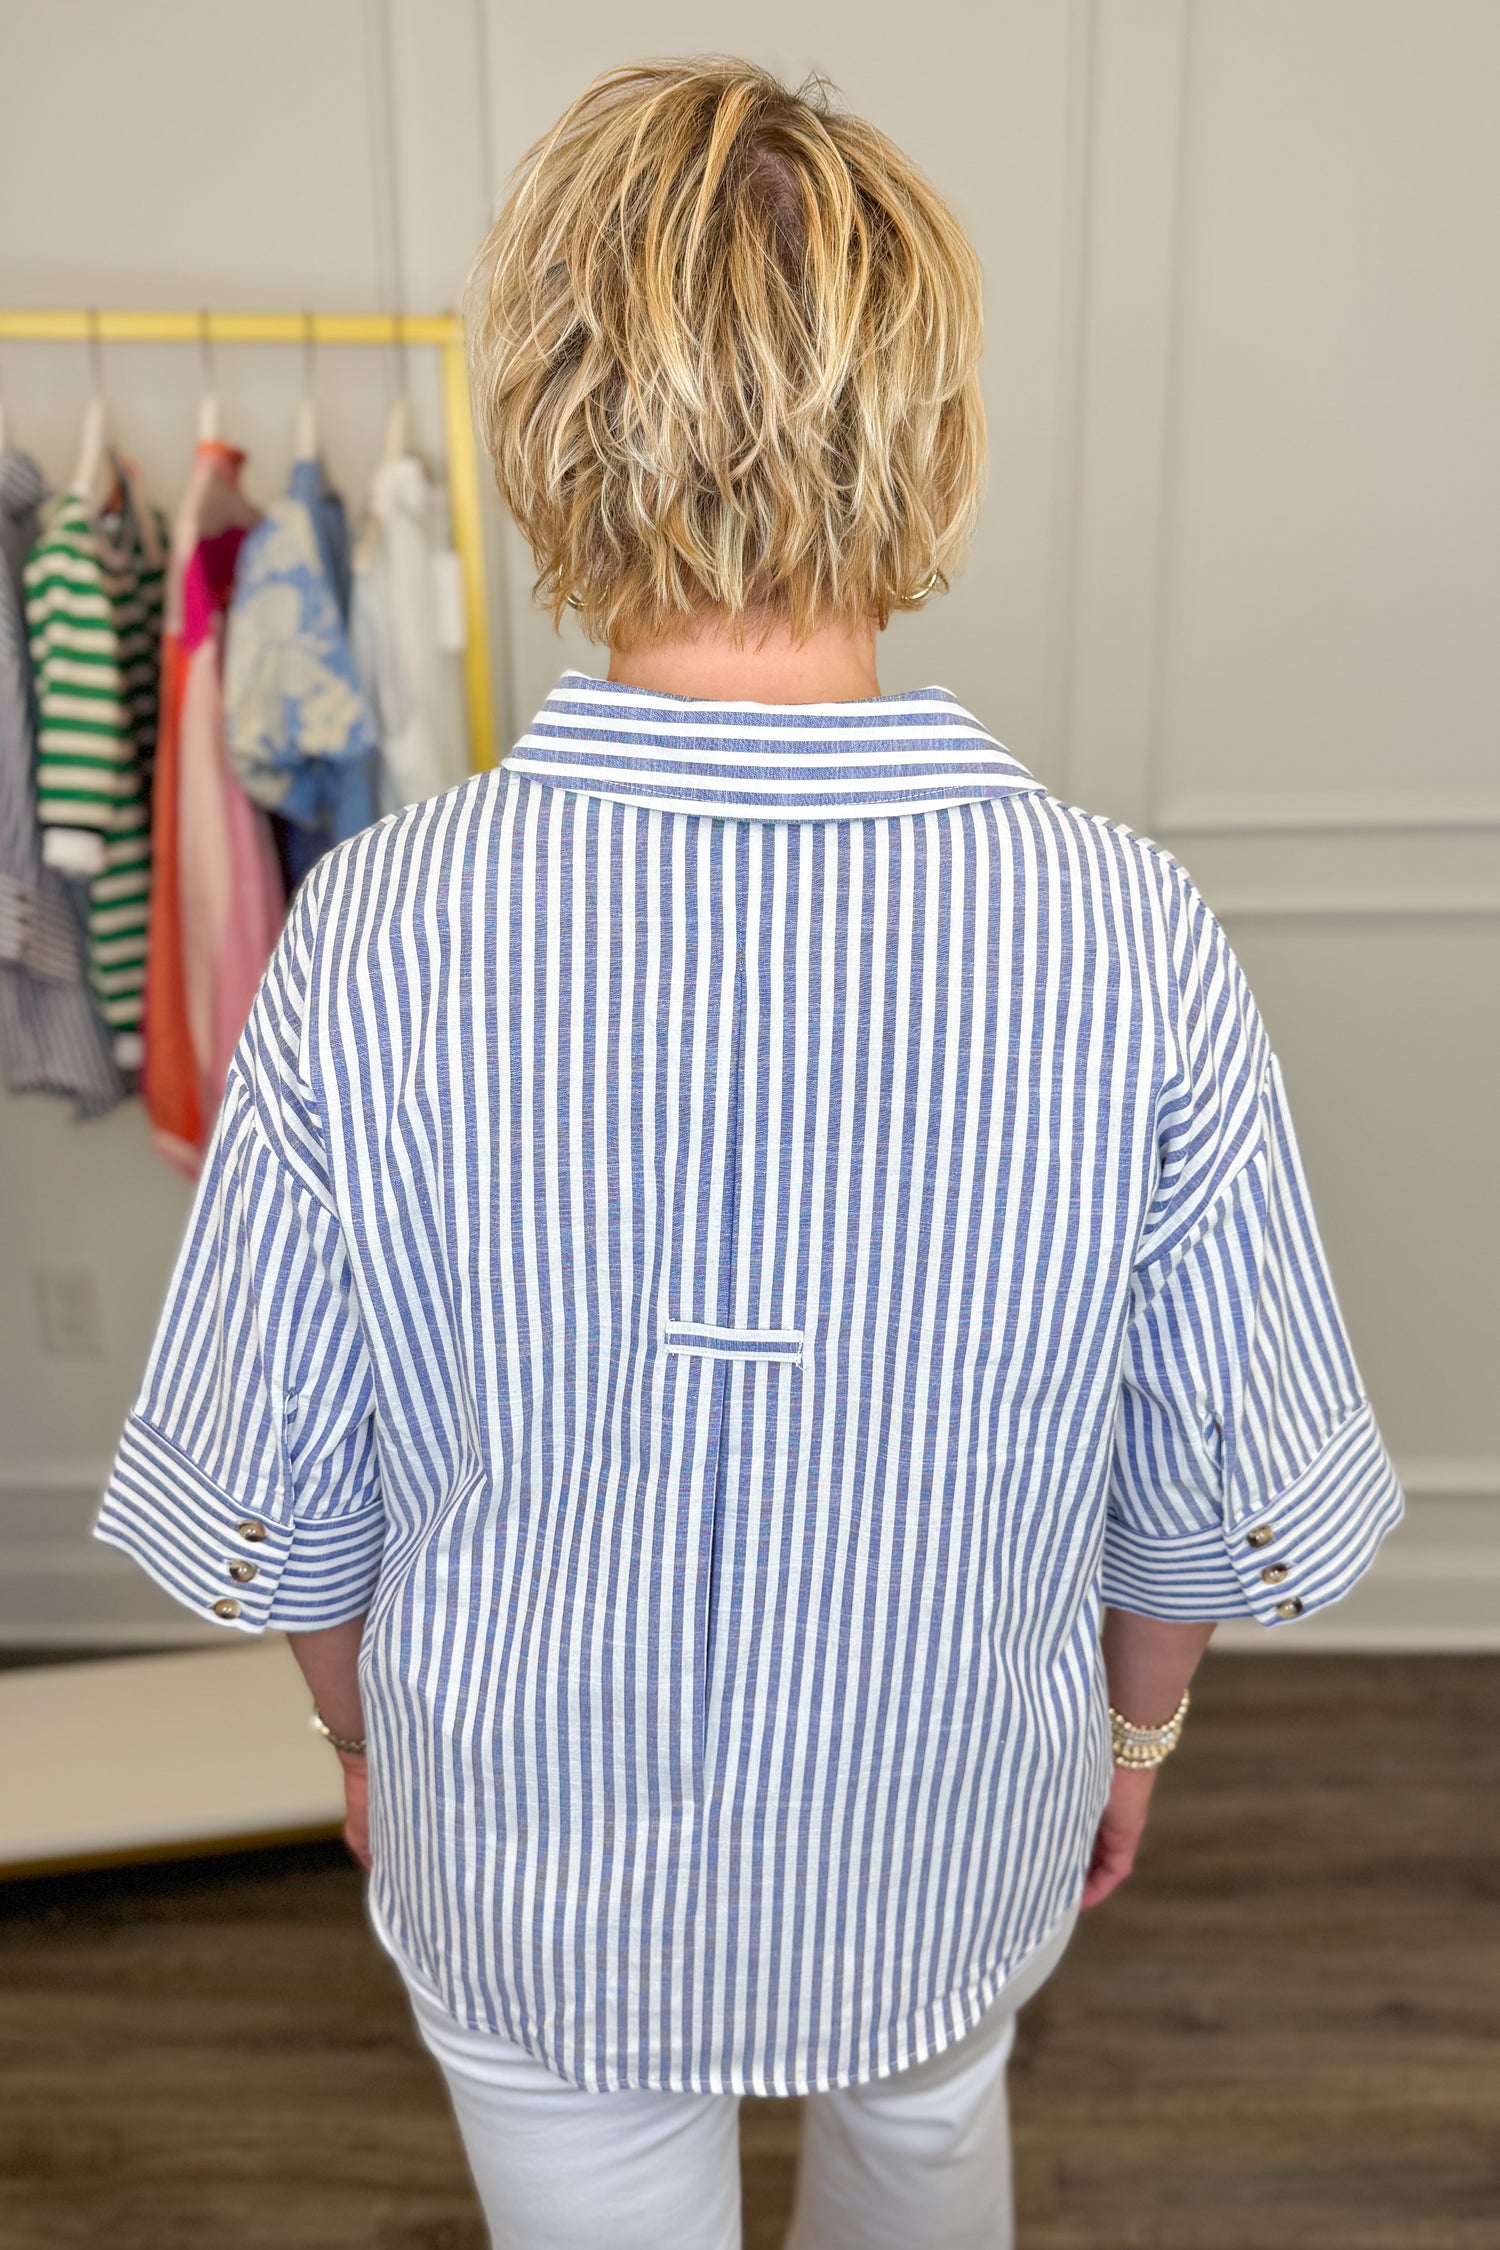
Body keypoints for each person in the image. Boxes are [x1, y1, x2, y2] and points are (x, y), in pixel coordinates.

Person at [96, 58, 1405, 2250]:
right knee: (925, 2138)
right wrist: (1136, 1741)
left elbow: (287, 1486)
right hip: (943, 1814)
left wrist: (357, 1750)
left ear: (544, 415)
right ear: (932, 427)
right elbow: (1201, 1478)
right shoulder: (1119, 927)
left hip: (520, 1838)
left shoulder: (387, 926)